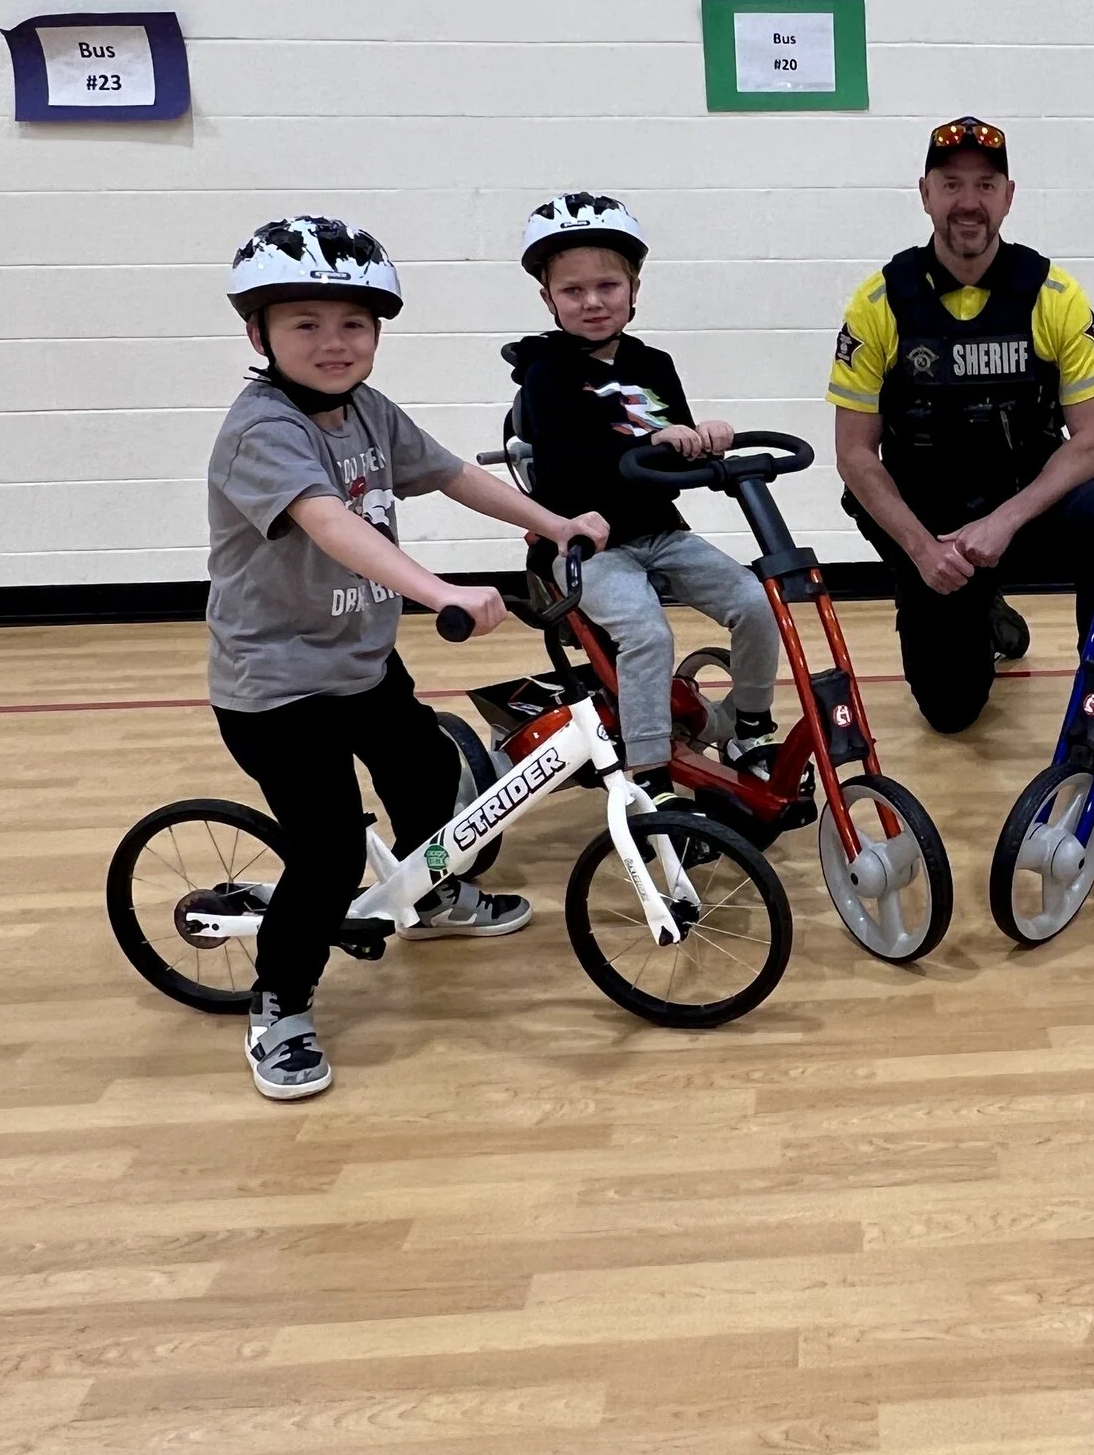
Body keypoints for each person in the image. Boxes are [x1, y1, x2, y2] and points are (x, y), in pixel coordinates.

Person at [207, 215, 612, 1103]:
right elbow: (331, 524)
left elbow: (452, 473)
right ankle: (280, 1003)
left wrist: (556, 523)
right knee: (324, 851)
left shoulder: (368, 412)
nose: (333, 342)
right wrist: (443, 594)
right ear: (258, 333)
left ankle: (430, 902)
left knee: (431, 781)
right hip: (275, 688)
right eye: (304, 323)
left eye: (353, 323)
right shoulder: (261, 431)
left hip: (361, 666)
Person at [830, 116, 1094, 733]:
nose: (967, 203)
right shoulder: (880, 302)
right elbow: (854, 455)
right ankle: (976, 608)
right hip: (928, 518)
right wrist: (921, 550)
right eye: (951, 185)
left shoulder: (1055, 295)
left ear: (1008, 196)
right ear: (925, 194)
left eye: (984, 185)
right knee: (951, 714)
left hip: (1021, 501)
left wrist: (1004, 521)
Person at [501, 192, 784, 806]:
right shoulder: (544, 369)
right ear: (548, 299)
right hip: (588, 545)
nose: (593, 301)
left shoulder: (653, 363)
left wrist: (707, 439)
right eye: (573, 291)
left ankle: (751, 724)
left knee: (756, 601)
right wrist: (651, 437)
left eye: (607, 285)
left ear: (634, 289)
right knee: (648, 634)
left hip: (660, 531)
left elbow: (676, 452)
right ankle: (649, 772)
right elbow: (571, 450)